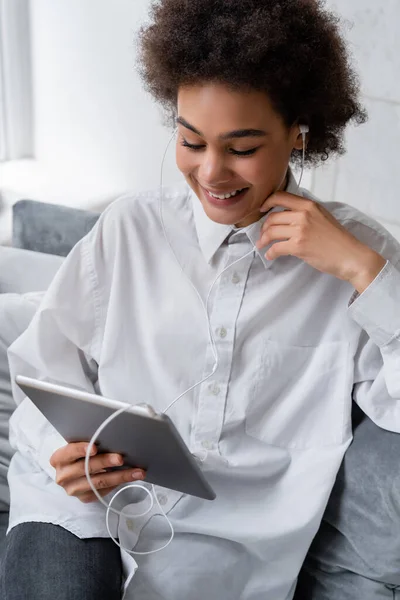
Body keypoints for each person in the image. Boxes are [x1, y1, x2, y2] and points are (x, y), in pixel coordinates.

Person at [1, 0, 400, 599]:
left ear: (298, 135)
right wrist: (62, 451)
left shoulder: (357, 255)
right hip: (79, 511)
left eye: (241, 147)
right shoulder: (130, 227)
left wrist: (363, 271)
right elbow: (42, 367)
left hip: (222, 566)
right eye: (191, 141)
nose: (211, 172)